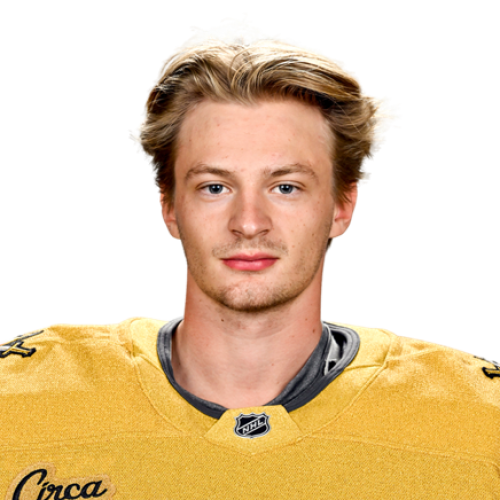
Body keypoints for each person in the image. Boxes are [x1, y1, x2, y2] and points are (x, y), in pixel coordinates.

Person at [1, 13, 498, 500]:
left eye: (286, 187)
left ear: (343, 205)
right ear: (168, 206)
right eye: (215, 187)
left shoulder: (482, 419)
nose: (249, 222)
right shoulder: (16, 399)